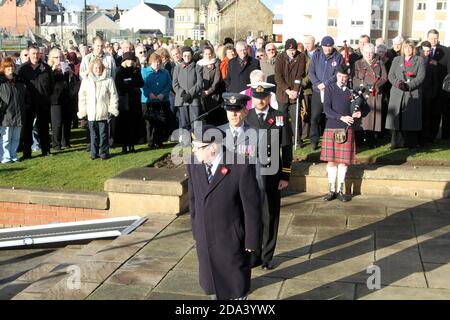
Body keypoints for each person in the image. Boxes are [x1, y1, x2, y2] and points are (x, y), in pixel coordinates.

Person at [187, 124, 261, 300]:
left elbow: (252, 208)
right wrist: (196, 230)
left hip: (231, 240)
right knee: (212, 287)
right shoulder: (194, 164)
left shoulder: (240, 166)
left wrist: (252, 240)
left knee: (234, 289)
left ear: (213, 147)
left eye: (197, 147)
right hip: (205, 239)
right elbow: (193, 200)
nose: (193, 151)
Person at [245, 82, 293, 271]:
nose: (260, 101)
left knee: (270, 215)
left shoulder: (279, 117)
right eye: (256, 98)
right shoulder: (246, 116)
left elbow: (287, 148)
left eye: (263, 97)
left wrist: (285, 175)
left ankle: (267, 256)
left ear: (268, 98)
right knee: (251, 215)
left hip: (272, 174)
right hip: (249, 175)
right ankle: (253, 254)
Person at [320, 65, 366, 202]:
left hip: (347, 129)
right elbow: (327, 109)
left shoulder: (351, 92)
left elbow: (364, 107)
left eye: (345, 77)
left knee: (344, 162)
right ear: (336, 76)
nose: (342, 79)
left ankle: (340, 190)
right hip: (333, 126)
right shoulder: (329, 89)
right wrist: (341, 117)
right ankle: (331, 190)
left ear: (348, 78)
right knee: (332, 161)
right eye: (340, 76)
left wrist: (359, 113)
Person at [386, 40, 426, 149]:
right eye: (406, 47)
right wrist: (398, 84)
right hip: (397, 92)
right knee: (397, 118)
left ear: (413, 49)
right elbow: (391, 75)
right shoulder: (396, 59)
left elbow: (421, 77)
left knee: (411, 118)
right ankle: (396, 143)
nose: (408, 49)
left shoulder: (419, 60)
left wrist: (409, 85)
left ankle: (411, 143)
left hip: (412, 93)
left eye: (410, 47)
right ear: (402, 49)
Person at [78, 59, 119, 160]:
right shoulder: (86, 80)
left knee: (104, 134)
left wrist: (112, 109)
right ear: (92, 68)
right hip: (91, 112)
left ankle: (104, 153)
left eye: (99, 67)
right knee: (93, 135)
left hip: (103, 112)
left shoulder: (108, 80)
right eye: (95, 68)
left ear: (102, 68)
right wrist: (83, 111)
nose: (97, 69)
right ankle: (94, 153)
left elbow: (113, 95)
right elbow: (82, 96)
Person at [18, 45, 54, 159]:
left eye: (37, 53)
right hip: (28, 103)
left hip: (43, 102)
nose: (36, 56)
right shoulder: (23, 69)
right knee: (27, 128)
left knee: (43, 127)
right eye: (33, 53)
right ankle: (26, 153)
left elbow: (51, 85)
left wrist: (47, 97)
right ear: (28, 54)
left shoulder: (46, 68)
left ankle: (46, 150)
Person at [309, 36, 344, 150]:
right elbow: (311, 72)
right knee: (315, 117)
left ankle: (328, 140)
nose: (328, 48)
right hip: (317, 91)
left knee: (330, 117)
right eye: (326, 46)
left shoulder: (338, 57)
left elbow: (338, 74)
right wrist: (318, 84)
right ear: (322, 46)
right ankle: (314, 141)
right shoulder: (316, 55)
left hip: (331, 91)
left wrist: (326, 84)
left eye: (330, 46)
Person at [352, 43, 387, 148]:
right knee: (361, 119)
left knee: (372, 119)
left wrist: (376, 86)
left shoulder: (380, 63)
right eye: (366, 53)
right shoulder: (358, 63)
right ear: (363, 53)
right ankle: (359, 142)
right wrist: (364, 86)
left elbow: (384, 78)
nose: (369, 55)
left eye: (371, 53)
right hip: (361, 93)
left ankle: (371, 142)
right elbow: (354, 78)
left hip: (374, 94)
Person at [275, 38, 306, 148]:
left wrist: (295, 90)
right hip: (283, 92)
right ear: (285, 49)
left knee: (295, 117)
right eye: (289, 50)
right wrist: (287, 90)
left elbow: (299, 76)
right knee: (280, 117)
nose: (291, 52)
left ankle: (297, 140)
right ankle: (279, 138)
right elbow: (278, 77)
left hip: (295, 92)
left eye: (293, 50)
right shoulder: (279, 58)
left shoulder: (301, 57)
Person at [114, 52, 144, 154]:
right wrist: (131, 85)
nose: (131, 62)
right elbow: (119, 86)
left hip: (134, 101)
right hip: (123, 102)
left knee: (133, 123)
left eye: (132, 60)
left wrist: (130, 83)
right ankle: (124, 146)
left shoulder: (136, 70)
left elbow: (140, 83)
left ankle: (132, 145)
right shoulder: (119, 71)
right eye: (129, 60)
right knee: (123, 124)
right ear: (124, 60)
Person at [0, 57, 28, 163]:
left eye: (11, 66)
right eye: (7, 66)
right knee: (6, 138)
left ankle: (13, 155)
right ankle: (5, 157)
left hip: (18, 114)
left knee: (16, 138)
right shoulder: (1, 81)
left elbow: (24, 96)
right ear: (3, 68)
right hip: (6, 115)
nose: (10, 68)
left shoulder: (18, 80)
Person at [142, 53, 172, 148]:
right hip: (148, 101)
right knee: (150, 123)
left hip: (162, 100)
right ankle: (150, 142)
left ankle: (159, 141)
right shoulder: (144, 71)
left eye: (159, 62)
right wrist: (149, 94)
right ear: (151, 62)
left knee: (160, 121)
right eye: (155, 62)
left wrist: (163, 94)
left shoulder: (165, 72)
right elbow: (143, 85)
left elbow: (168, 85)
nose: (157, 64)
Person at [425, 29, 450, 140]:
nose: (433, 40)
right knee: (425, 113)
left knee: (436, 113)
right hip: (425, 88)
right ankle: (424, 135)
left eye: (435, 38)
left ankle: (433, 137)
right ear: (427, 38)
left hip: (440, 88)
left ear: (438, 38)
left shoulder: (446, 51)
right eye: (431, 38)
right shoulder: (422, 49)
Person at [47, 48, 74, 151]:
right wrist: (53, 70)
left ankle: (66, 142)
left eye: (60, 57)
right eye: (56, 57)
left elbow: (72, 83)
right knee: (57, 123)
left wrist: (71, 74)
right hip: (55, 99)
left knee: (67, 121)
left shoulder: (66, 67)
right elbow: (47, 83)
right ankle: (56, 144)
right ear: (52, 58)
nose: (59, 59)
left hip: (66, 98)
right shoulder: (49, 69)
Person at [172, 46, 203, 131]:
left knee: (196, 122)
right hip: (182, 99)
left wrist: (190, 94)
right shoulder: (177, 68)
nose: (187, 57)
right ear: (182, 56)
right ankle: (186, 142)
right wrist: (182, 93)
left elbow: (199, 84)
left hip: (194, 99)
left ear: (192, 55)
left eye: (189, 55)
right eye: (185, 55)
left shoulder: (197, 67)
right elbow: (175, 84)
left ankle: (197, 141)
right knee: (184, 123)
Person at [197, 46, 224, 126]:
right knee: (204, 117)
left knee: (213, 117)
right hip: (202, 94)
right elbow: (197, 79)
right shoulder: (199, 64)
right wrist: (202, 90)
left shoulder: (216, 63)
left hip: (213, 94)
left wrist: (209, 91)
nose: (208, 56)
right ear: (203, 54)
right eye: (206, 54)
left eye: (210, 54)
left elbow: (217, 80)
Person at [420, 41, 440, 145]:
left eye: (428, 51)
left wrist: (433, 93)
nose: (426, 53)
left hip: (428, 94)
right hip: (417, 93)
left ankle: (425, 139)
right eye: (424, 51)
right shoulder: (416, 60)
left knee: (427, 117)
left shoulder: (433, 62)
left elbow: (436, 80)